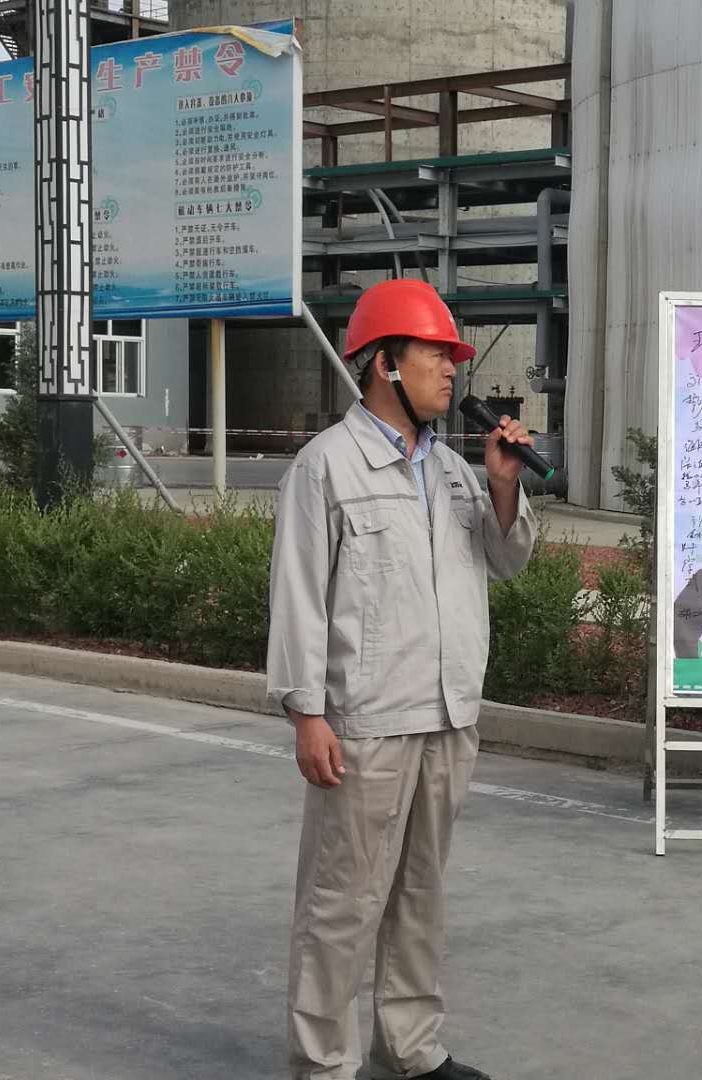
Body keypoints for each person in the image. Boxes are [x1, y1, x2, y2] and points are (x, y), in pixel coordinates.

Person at [267, 278, 536, 1080]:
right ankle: (323, 1064)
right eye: (435, 355)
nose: (452, 371)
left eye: (453, 358)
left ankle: (412, 1047)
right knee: (343, 901)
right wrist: (306, 713)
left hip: (449, 717)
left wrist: (503, 484)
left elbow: (506, 560)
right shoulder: (325, 467)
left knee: (421, 894)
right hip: (367, 721)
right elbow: (298, 596)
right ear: (385, 362)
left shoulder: (453, 470)